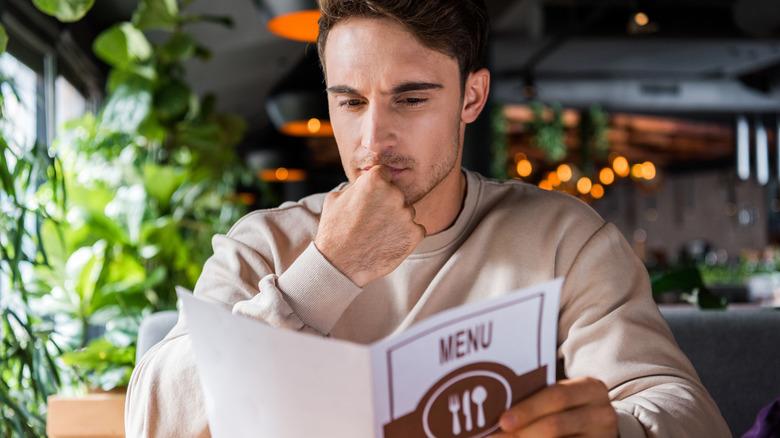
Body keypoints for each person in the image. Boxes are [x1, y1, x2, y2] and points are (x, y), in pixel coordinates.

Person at [125, 0, 731, 436]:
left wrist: (616, 430)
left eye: (411, 99)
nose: (372, 139)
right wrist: (325, 273)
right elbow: (151, 423)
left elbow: (689, 411)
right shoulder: (264, 245)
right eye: (350, 102)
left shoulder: (565, 240)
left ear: (471, 97)